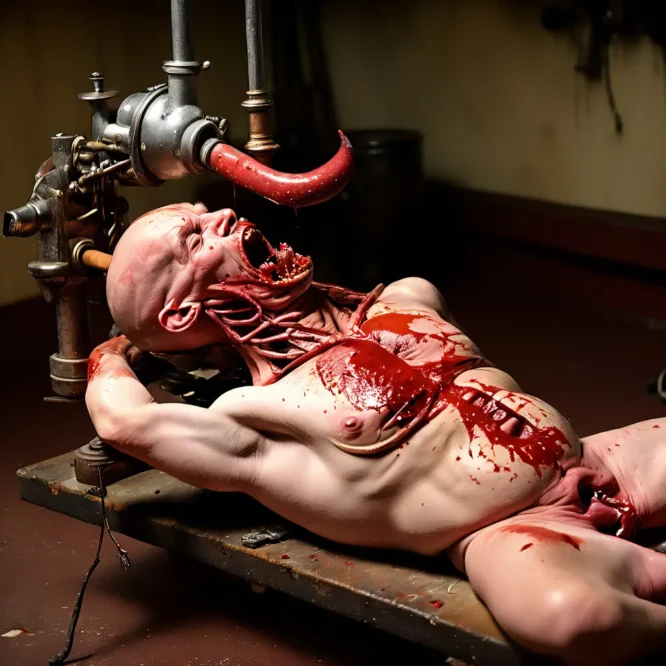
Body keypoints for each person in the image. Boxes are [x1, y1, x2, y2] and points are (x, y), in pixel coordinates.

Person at [87, 203, 666, 666]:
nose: (223, 217)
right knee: (572, 617)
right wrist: (116, 350)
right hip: (510, 528)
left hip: (605, 460)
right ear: (181, 313)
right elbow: (123, 420)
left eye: (206, 212)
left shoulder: (404, 297)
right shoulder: (256, 417)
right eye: (195, 238)